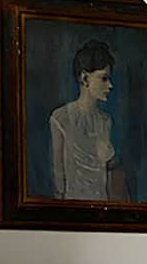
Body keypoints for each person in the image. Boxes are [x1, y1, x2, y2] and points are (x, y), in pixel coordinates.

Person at [49, 41, 119, 201]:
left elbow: (106, 171)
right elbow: (58, 176)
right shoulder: (60, 118)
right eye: (104, 78)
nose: (110, 85)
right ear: (84, 78)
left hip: (102, 205)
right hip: (72, 207)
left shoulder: (105, 121)